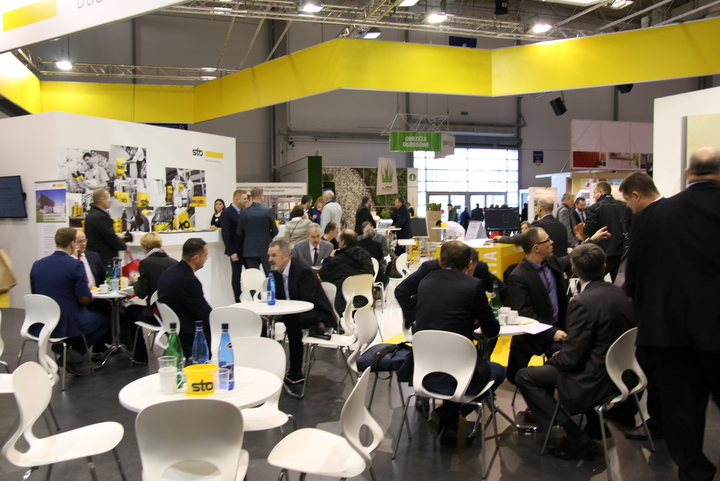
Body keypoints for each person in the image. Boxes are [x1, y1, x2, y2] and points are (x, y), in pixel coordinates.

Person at [625, 146, 720, 481]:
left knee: (681, 411)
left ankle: (694, 471)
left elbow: (633, 279)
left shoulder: (652, 216)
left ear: (687, 173)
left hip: (669, 334)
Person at [515, 243, 634, 459]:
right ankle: (594, 424)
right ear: (604, 266)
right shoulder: (619, 292)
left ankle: (575, 436)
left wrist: (555, 359)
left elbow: (571, 359)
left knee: (524, 376)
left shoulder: (581, 302)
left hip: (596, 376)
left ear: (574, 270)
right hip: (623, 370)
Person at [413, 241, 504, 446]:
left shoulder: (425, 282)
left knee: (458, 371)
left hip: (423, 368)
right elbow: (492, 330)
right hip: (460, 368)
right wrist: (475, 321)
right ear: (470, 264)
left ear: (440, 261)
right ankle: (448, 413)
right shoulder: (473, 285)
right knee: (498, 371)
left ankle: (448, 417)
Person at [616, 172, 663, 441]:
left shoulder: (644, 219)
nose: (627, 206)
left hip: (652, 312)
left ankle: (653, 423)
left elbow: (634, 269)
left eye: (627, 201)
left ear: (636, 195)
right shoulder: (675, 213)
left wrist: (624, 297)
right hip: (674, 311)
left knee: (648, 366)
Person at [30, 227, 110, 376]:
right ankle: (73, 354)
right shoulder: (75, 265)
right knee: (104, 321)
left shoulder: (37, 264)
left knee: (87, 314)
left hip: (41, 322)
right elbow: (84, 299)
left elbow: (35, 293)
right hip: (66, 321)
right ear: (72, 243)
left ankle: (65, 350)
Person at [506, 227, 570, 385]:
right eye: (547, 240)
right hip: (532, 335)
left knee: (561, 367)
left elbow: (568, 260)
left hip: (558, 329)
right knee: (515, 376)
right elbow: (525, 312)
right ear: (536, 248)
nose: (552, 242)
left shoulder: (552, 262)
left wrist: (591, 240)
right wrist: (551, 332)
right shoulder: (518, 276)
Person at [268, 240, 337, 385]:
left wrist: (282, 312)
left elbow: (306, 302)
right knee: (263, 321)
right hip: (290, 312)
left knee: (292, 322)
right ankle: (266, 366)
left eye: (274, 255)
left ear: (285, 256)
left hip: (316, 313)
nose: (270, 259)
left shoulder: (303, 271)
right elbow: (277, 298)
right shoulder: (276, 273)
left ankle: (296, 370)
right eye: (269, 255)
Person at [396, 247, 506, 330]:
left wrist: (489, 312)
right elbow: (401, 291)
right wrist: (414, 319)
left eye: (471, 271)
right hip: (427, 323)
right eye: (466, 270)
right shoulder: (430, 269)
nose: (467, 274)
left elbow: (501, 290)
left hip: (463, 323)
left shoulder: (480, 270)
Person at [157, 238, 212, 358]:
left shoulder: (168, 273)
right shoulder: (189, 281)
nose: (206, 259)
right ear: (196, 258)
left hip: (174, 328)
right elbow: (203, 312)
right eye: (205, 256)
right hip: (188, 334)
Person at [583, 182, 632, 281]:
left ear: (601, 192)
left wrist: (584, 228)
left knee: (595, 283)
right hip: (622, 253)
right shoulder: (625, 206)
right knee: (620, 284)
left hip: (601, 254)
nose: (593, 196)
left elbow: (589, 230)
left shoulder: (594, 208)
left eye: (594, 193)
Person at [318, 228, 374, 314]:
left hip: (343, 302)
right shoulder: (366, 255)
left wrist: (329, 258)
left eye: (339, 240)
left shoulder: (338, 260)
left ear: (343, 242)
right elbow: (371, 273)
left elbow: (323, 274)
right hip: (365, 298)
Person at [85, 188, 131, 266]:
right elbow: (109, 237)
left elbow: (101, 236)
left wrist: (119, 239)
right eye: (108, 198)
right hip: (104, 259)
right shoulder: (100, 217)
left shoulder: (92, 214)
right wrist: (123, 246)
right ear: (102, 199)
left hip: (96, 258)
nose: (110, 201)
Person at [237, 187, 278, 274]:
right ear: (260, 196)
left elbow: (239, 232)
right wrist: (268, 237)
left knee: (253, 277)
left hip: (249, 249)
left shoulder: (244, 212)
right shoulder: (267, 211)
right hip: (265, 248)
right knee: (270, 275)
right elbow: (275, 230)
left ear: (251, 197)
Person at [220, 190, 248, 302]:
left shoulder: (244, 212)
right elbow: (226, 234)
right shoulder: (227, 213)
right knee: (237, 276)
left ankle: (256, 299)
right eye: (244, 199)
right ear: (237, 199)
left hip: (247, 249)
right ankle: (238, 300)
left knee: (251, 273)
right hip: (236, 250)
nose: (246, 201)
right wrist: (231, 251)